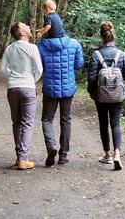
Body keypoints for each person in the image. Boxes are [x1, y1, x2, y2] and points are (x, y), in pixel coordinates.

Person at [87, 21, 125, 171]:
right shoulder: (121, 54)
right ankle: (118, 154)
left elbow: (92, 78)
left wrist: (92, 92)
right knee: (116, 123)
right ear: (113, 35)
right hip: (118, 95)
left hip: (101, 96)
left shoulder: (96, 55)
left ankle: (107, 155)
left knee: (103, 124)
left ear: (101, 37)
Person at [37, 27, 84, 166]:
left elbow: (40, 68)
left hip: (50, 89)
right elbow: (79, 64)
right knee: (66, 120)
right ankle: (63, 155)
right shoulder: (74, 43)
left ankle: (51, 146)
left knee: (47, 119)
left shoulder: (41, 46)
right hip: (68, 88)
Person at [1, 22, 43, 170]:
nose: (29, 28)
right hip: (28, 87)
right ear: (22, 32)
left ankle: (19, 157)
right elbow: (39, 69)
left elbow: (3, 68)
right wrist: (30, 80)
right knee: (27, 123)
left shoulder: (9, 48)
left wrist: (13, 77)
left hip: (12, 88)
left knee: (17, 122)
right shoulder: (32, 48)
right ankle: (23, 158)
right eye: (26, 26)